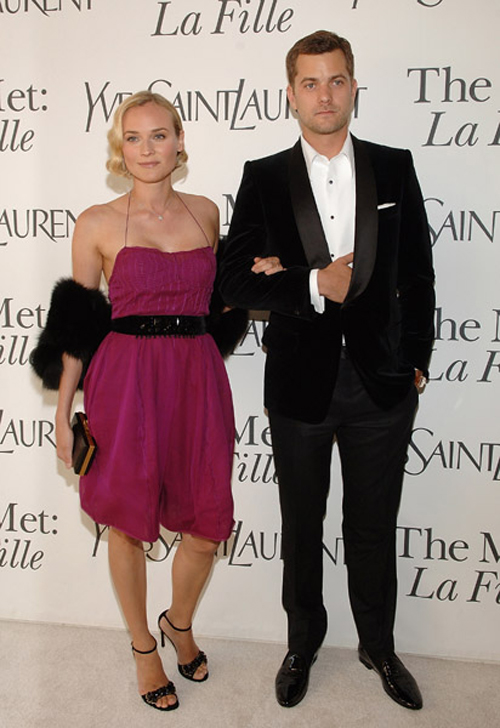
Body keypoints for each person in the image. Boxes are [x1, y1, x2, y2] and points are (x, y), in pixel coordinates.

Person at [219, 31, 435, 711]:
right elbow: (231, 280)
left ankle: (379, 646)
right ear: (291, 94)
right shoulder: (263, 176)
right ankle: (302, 643)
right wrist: (311, 282)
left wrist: (417, 360)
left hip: (381, 383)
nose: (324, 95)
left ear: (353, 87)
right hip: (299, 384)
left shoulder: (394, 167)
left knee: (372, 525)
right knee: (302, 525)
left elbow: (418, 273)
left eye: (336, 80)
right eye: (310, 83)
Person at [31, 91, 238, 712]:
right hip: (125, 383)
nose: (147, 149)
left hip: (197, 379)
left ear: (180, 142)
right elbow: (76, 328)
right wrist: (63, 413)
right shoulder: (96, 222)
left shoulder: (207, 213)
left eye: (159, 135)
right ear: (119, 150)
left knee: (207, 523)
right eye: (133, 137)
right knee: (126, 520)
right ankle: (144, 646)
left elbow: (221, 304)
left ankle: (179, 621)